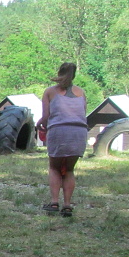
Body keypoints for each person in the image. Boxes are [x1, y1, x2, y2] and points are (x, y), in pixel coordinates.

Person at [36, 62, 87, 217]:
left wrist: (39, 124)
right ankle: (67, 205)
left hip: (59, 131)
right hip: (79, 133)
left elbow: (46, 117)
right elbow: (82, 114)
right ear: (74, 75)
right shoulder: (81, 92)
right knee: (69, 169)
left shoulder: (50, 92)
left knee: (55, 168)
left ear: (59, 73)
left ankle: (54, 202)